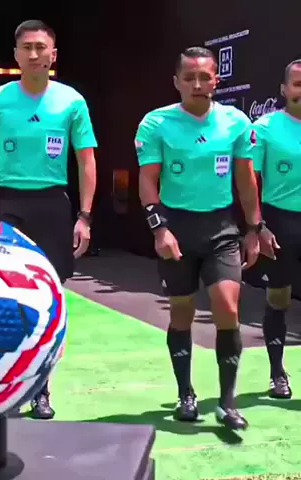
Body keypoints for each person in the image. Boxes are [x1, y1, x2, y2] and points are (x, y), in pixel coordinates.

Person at [0, 19, 97, 419]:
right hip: (8, 205)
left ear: (53, 55)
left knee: (48, 303)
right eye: (26, 47)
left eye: (41, 47)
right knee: (4, 300)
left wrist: (85, 216)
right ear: (15, 55)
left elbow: (86, 161)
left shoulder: (71, 102)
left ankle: (41, 388)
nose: (33, 54)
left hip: (53, 206)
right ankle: (3, 386)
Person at [135, 47, 262, 430]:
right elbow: (147, 181)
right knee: (182, 313)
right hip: (176, 228)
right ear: (176, 82)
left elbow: (246, 181)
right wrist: (159, 229)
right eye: (189, 77)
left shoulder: (235, 122)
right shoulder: (156, 123)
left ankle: (226, 403)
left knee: (227, 308)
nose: (197, 84)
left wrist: (254, 228)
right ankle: (185, 394)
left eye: (204, 77)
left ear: (216, 80)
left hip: (221, 230)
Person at [252, 59, 301, 400]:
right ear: (284, 89)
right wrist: (259, 226)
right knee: (279, 298)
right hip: (280, 222)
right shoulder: (265, 127)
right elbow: (250, 181)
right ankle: (276, 372)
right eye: (297, 84)